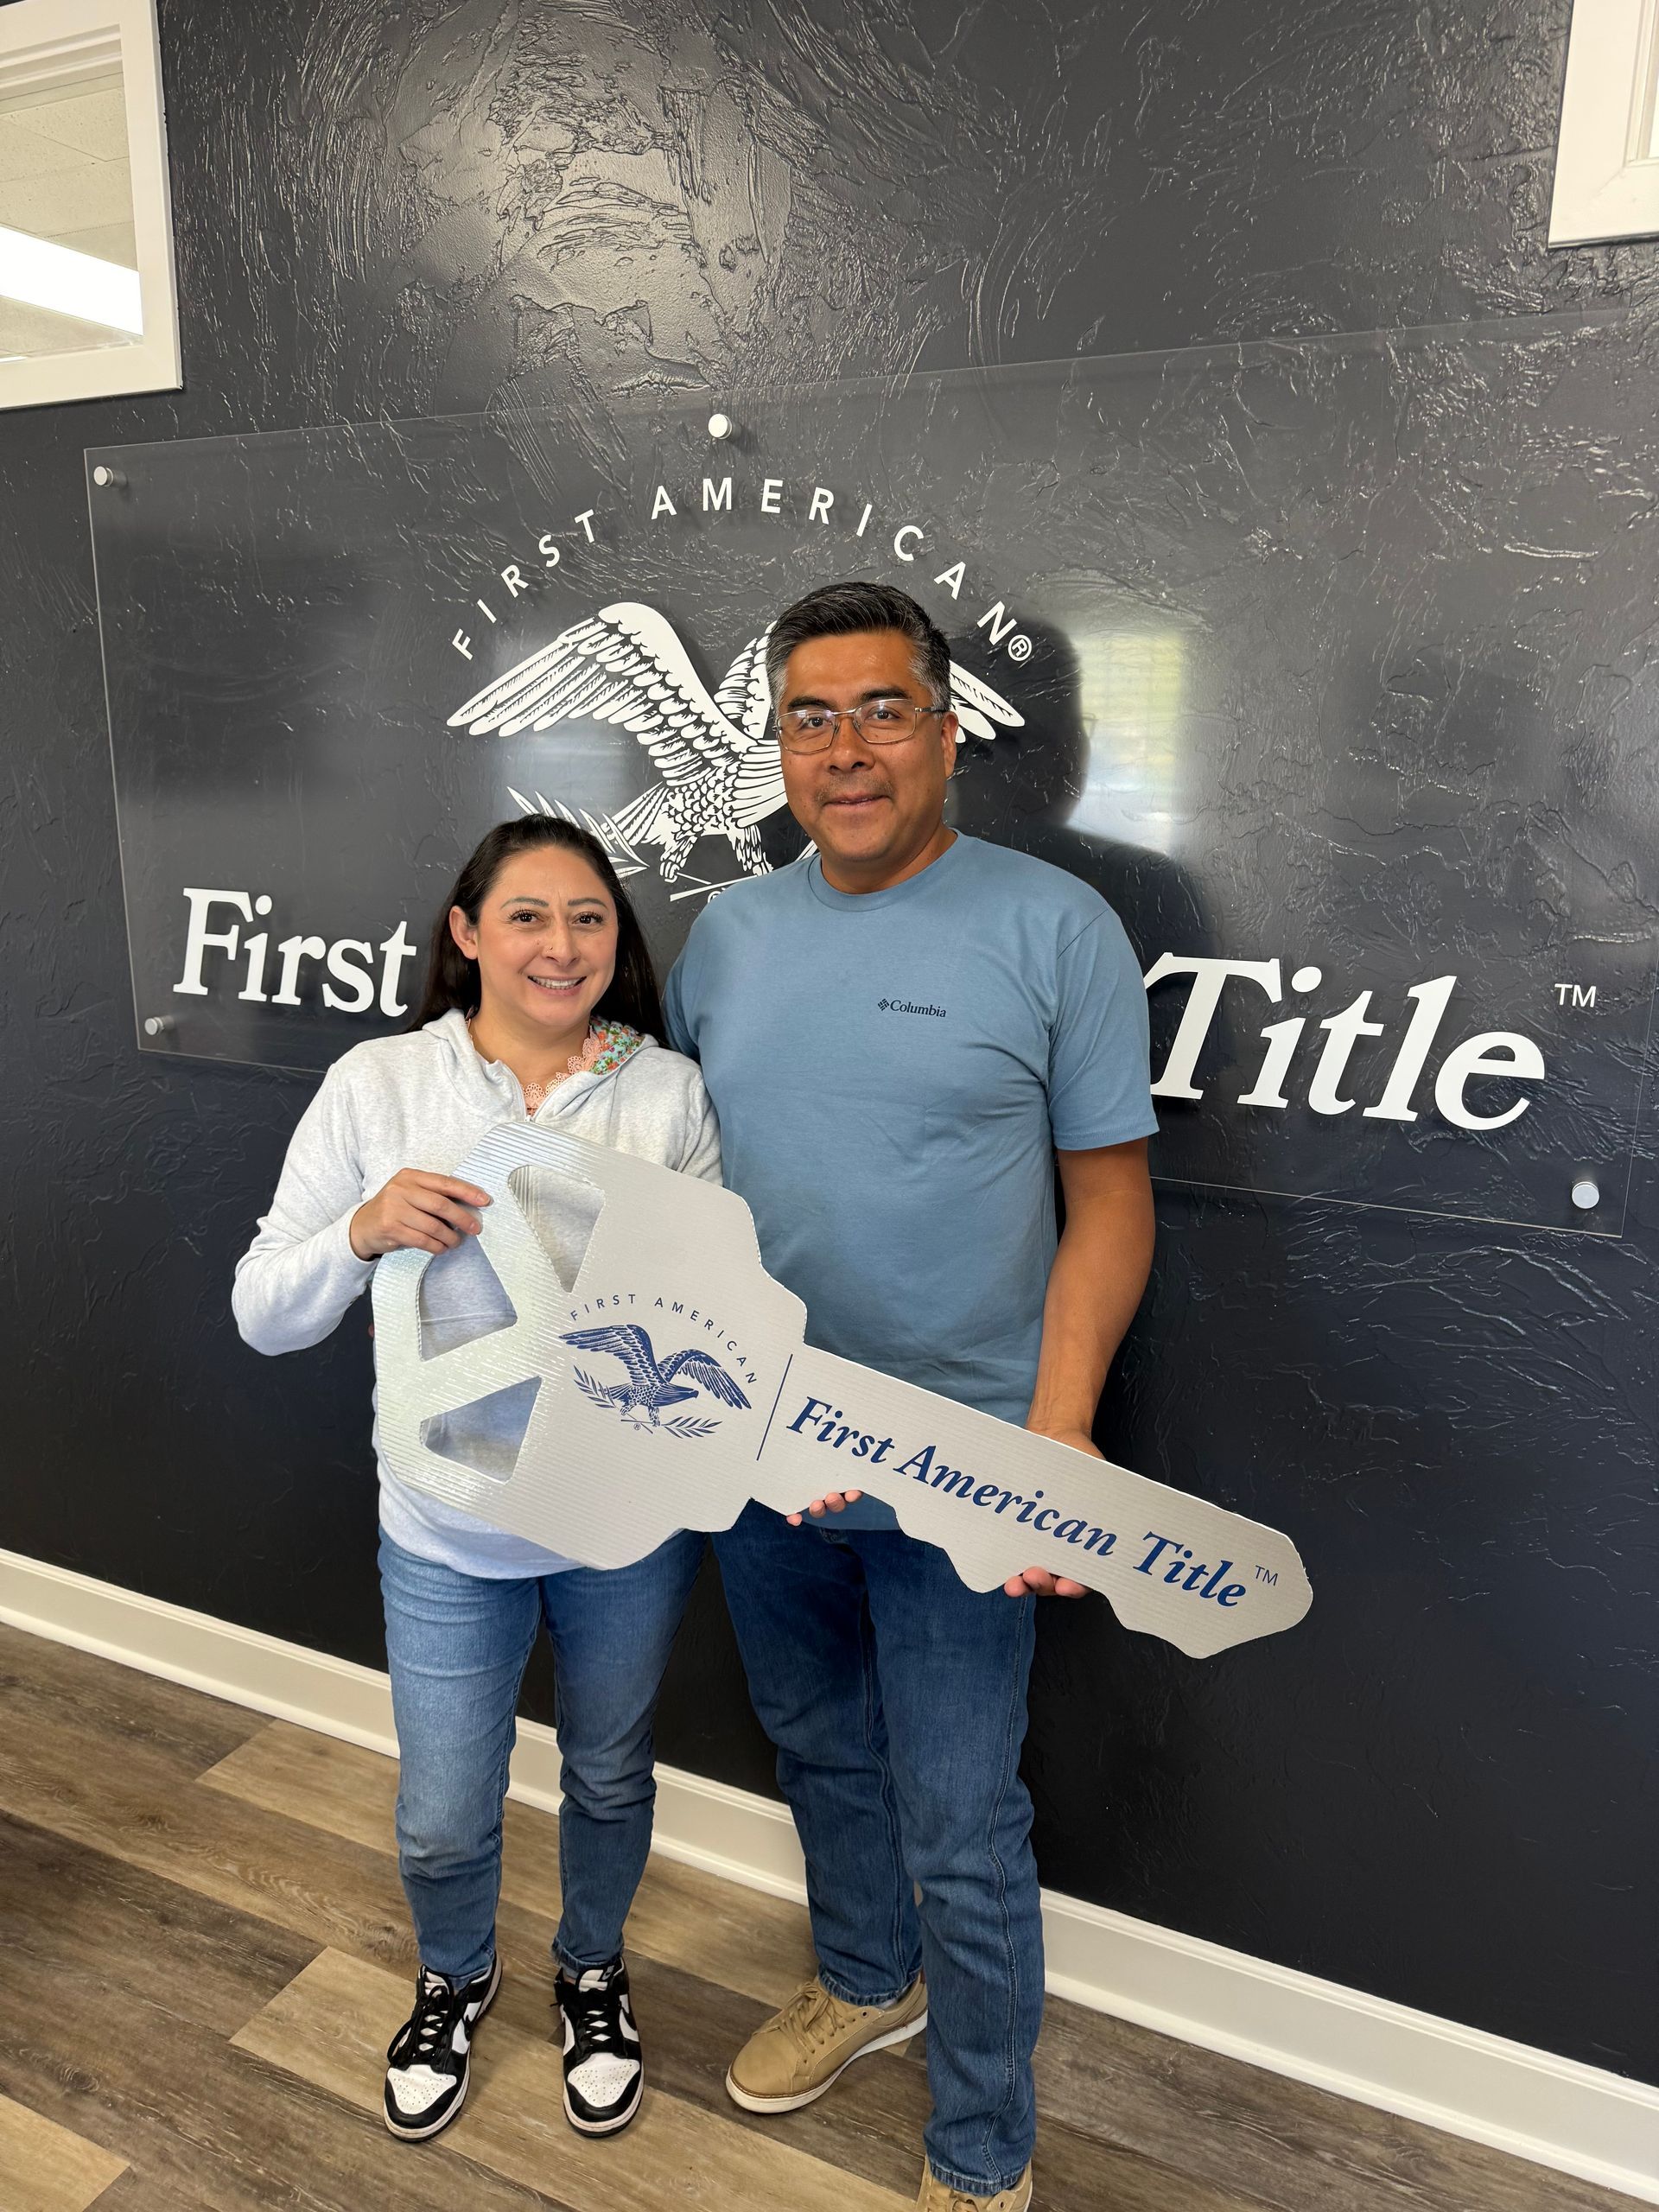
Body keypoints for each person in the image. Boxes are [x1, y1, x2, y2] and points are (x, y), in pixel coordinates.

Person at [664, 581, 1158, 2212]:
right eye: (811, 717)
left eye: (884, 710)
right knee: (814, 1741)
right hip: (762, 1438)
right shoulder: (727, 934)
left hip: (968, 1463)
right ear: (778, 747)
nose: (848, 749)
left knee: (964, 1818)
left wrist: (1061, 1431)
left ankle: (980, 2153)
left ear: (949, 732)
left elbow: (1111, 1199)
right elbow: (689, 1180)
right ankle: (869, 1980)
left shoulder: (1055, 926)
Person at [233, 816, 720, 2145]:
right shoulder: (383, 1084)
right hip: (447, 1526)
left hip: (621, 1525)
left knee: (612, 1772)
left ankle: (591, 1968)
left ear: (618, 942)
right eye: (526, 916)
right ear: (464, 932)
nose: (560, 946)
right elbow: (263, 1310)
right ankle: (455, 1971)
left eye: (588, 919)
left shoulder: (665, 1094)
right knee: (446, 1810)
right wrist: (363, 1227)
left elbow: (706, 1324)